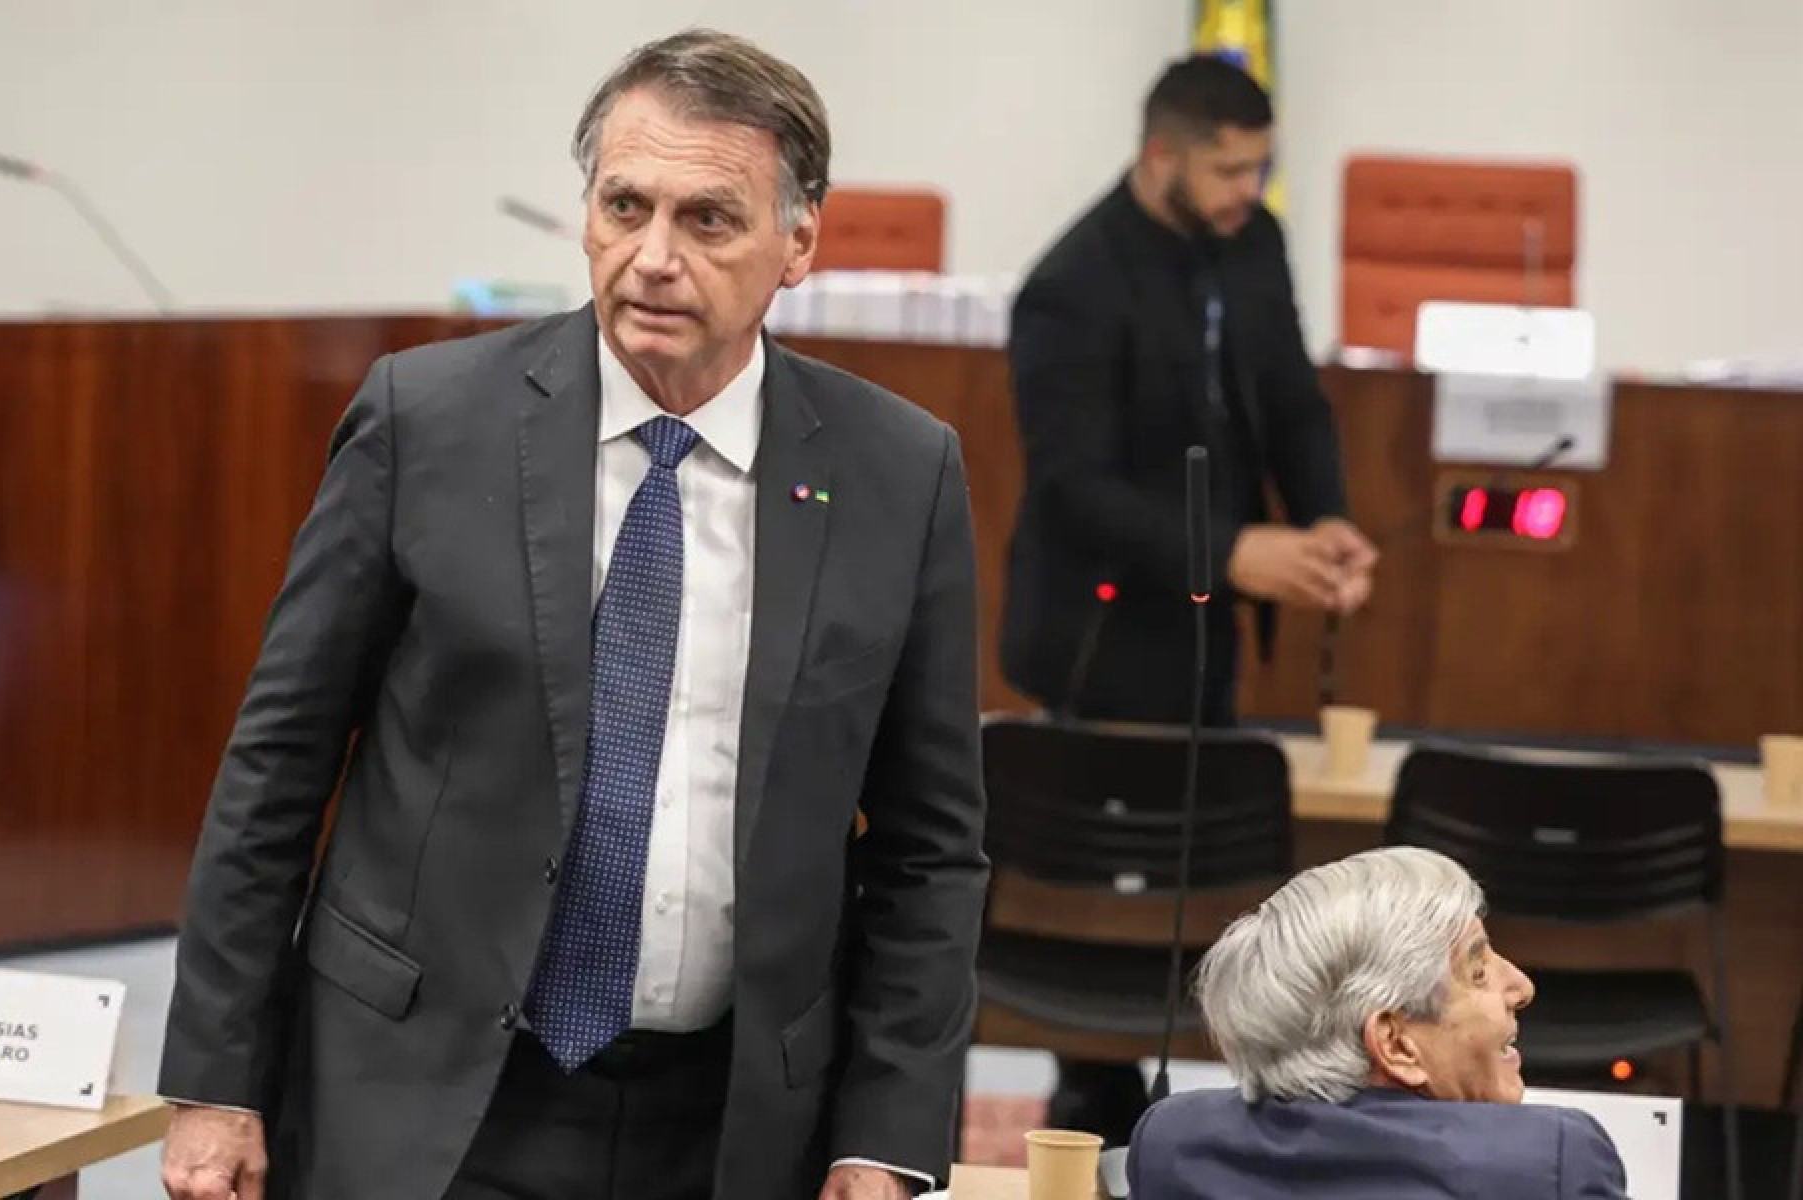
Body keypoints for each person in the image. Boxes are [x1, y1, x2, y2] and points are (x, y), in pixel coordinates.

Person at [157, 29, 988, 1200]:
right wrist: (215, 1081)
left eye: (709, 220)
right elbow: (276, 767)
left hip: (735, 1121)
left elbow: (929, 849)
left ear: (799, 242)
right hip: (424, 1091)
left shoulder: (900, 474)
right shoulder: (427, 423)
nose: (654, 258)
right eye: (625, 206)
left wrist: (883, 1137)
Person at [998, 53, 1377, 1137]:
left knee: (1199, 875)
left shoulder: (1250, 241)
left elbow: (1291, 398)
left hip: (1207, 634)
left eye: (1261, 168)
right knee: (1106, 906)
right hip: (1096, 637)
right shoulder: (1071, 284)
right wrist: (1232, 552)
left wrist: (1324, 517)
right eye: (1229, 170)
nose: (1249, 191)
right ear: (1162, 155)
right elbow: (1075, 490)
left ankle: (1197, 1086)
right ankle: (1093, 1095)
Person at [1126, 846, 1629, 1199]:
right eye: (1477, 971)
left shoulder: (1174, 1145)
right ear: (1396, 1044)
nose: (1521, 986)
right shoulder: (1550, 1164)